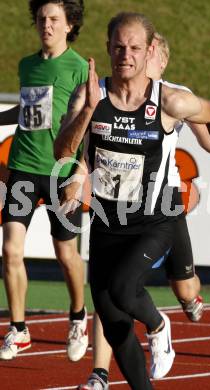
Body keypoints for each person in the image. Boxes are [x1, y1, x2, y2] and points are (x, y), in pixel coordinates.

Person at [54, 12, 210, 390]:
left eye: (135, 48)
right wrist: (88, 111)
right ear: (108, 48)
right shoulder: (90, 95)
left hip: (155, 221)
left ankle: (159, 324)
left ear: (149, 51)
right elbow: (63, 151)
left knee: (125, 289)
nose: (126, 54)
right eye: (119, 47)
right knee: (110, 315)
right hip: (107, 224)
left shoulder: (170, 101)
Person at [78, 31, 210, 390]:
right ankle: (101, 371)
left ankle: (182, 305)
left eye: (145, 54)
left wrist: (205, 131)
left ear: (159, 59)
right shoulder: (109, 93)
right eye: (126, 51)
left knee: (182, 288)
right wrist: (79, 169)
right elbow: (86, 144)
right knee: (110, 296)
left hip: (164, 203)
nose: (136, 62)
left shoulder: (172, 96)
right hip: (114, 210)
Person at [0, 0, 89, 362]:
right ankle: (19, 329)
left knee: (66, 254)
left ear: (70, 25)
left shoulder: (81, 68)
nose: (46, 25)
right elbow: (28, 111)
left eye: (54, 19)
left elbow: (92, 127)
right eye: (41, 19)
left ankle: (78, 317)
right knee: (10, 251)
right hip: (22, 165)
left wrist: (81, 172)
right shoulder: (28, 64)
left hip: (60, 173)